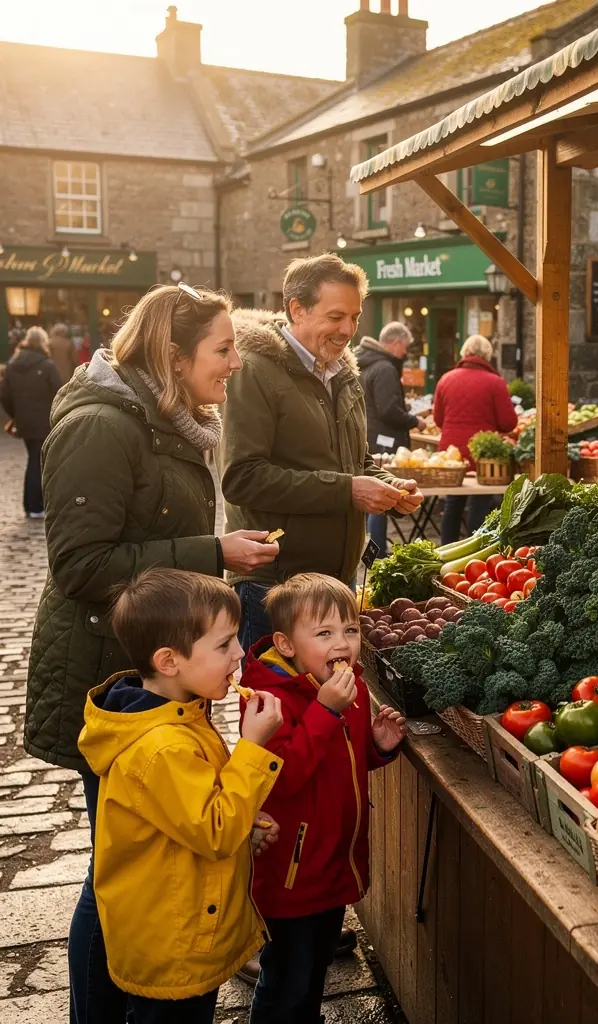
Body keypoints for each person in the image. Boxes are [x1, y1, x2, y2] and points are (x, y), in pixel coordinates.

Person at [22, 283, 280, 1024]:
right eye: (222, 350)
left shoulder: (168, 417)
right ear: (173, 354)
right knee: (116, 877)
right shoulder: (103, 424)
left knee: (135, 865)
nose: (234, 364)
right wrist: (215, 552)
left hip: (153, 671)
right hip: (111, 668)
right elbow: (79, 563)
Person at [77, 568, 285, 1023]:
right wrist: (252, 750)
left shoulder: (180, 715)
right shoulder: (163, 745)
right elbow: (213, 831)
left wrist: (243, 819)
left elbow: (190, 814)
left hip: (182, 921)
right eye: (224, 644)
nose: (238, 655)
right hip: (173, 943)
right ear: (169, 661)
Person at [221, 254, 423, 654]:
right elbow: (242, 477)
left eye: (355, 317)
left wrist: (390, 487)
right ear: (297, 309)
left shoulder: (343, 372)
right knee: (276, 712)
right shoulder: (254, 371)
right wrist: (348, 491)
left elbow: (356, 463)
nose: (347, 329)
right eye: (335, 317)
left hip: (338, 581)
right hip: (276, 587)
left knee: (333, 709)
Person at [240, 573, 406, 1022]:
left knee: (313, 970)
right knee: (287, 980)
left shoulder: (348, 685)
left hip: (334, 860)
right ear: (286, 643)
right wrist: (325, 710)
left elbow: (343, 762)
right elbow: (280, 778)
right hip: (291, 872)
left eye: (350, 630)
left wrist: (378, 746)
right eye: (325, 633)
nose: (343, 643)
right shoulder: (268, 698)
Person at [432, 334, 518, 545]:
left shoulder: (446, 379)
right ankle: (475, 553)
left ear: (464, 353)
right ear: (487, 356)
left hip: (453, 456)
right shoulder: (495, 382)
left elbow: (438, 419)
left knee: (453, 505)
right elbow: (509, 422)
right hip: (482, 457)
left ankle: (446, 551)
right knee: (480, 505)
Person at [355, 322, 427, 555]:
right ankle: (376, 551)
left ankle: (371, 550)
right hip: (384, 439)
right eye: (404, 347)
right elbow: (387, 410)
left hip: (371, 435)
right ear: (395, 343)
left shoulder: (367, 363)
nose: (405, 353)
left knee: (373, 498)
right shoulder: (385, 367)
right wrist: (413, 420)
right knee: (381, 499)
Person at [0, 325, 61, 517]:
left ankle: (31, 504)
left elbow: (5, 395)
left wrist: (16, 415)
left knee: (34, 459)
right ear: (42, 343)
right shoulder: (48, 366)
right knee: (39, 462)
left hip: (24, 422)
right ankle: (36, 506)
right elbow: (59, 393)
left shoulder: (12, 367)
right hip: (44, 422)